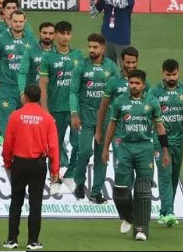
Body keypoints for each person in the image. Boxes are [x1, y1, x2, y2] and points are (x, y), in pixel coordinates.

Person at [101, 69, 170, 241]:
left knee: (143, 190)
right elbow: (111, 125)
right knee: (120, 190)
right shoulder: (120, 101)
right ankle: (128, 217)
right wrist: (105, 148)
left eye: (137, 83)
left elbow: (160, 127)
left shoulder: (152, 102)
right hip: (124, 147)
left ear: (143, 85)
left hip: (145, 148)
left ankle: (141, 229)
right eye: (131, 83)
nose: (133, 86)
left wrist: (165, 151)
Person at [2, 85, 59, 251]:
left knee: (16, 201)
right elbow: (54, 146)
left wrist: (7, 162)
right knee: (35, 203)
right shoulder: (47, 118)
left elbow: (8, 142)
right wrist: (55, 169)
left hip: (19, 163)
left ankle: (12, 239)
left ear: (25, 97)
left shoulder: (15, 116)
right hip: (38, 165)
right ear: (39, 98)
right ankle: (33, 241)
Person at [150, 59, 183, 227]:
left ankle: (164, 213)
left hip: (179, 140)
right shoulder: (155, 92)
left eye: (174, 74)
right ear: (163, 74)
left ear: (178, 73)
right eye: (168, 75)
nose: (171, 78)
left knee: (174, 177)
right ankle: (170, 213)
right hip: (161, 141)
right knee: (165, 175)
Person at [68, 33, 118, 203]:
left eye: (95, 47)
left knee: (101, 156)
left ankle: (96, 192)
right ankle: (79, 181)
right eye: (89, 46)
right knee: (84, 151)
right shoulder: (81, 66)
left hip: (104, 118)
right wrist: (74, 113)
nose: (91, 50)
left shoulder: (111, 67)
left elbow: (117, 92)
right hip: (85, 116)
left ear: (103, 49)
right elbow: (73, 91)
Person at [94, 47, 150, 192]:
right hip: (118, 134)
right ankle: (125, 202)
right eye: (127, 62)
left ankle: (136, 205)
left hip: (139, 135)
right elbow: (104, 106)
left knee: (140, 175)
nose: (131, 66)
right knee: (123, 171)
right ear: (121, 61)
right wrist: (99, 130)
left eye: (134, 62)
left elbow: (151, 107)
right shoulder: (113, 82)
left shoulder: (144, 82)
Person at [38, 21, 84, 195]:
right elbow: (42, 85)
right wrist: (44, 109)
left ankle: (70, 175)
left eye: (68, 33)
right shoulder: (48, 58)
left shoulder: (78, 56)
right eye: (62, 33)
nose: (65, 37)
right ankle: (54, 178)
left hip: (75, 110)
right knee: (54, 146)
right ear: (56, 35)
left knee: (78, 144)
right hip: (55, 109)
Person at [0, 10, 35, 144]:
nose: (18, 24)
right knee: (7, 121)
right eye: (15, 21)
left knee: (24, 123)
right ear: (10, 21)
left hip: (26, 88)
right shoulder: (2, 39)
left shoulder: (31, 40)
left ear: (25, 22)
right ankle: (8, 154)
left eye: (21, 21)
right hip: (6, 88)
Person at [88, 0, 134, 65]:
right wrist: (92, 0)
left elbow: (121, 4)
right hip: (106, 38)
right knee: (107, 69)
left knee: (126, 69)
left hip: (122, 39)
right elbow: (93, 14)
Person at [17, 22, 55, 94]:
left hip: (52, 96)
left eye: (51, 33)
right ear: (39, 33)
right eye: (44, 33)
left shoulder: (58, 52)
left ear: (55, 35)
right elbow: (22, 73)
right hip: (34, 95)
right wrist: (22, 92)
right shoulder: (30, 50)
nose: (47, 36)